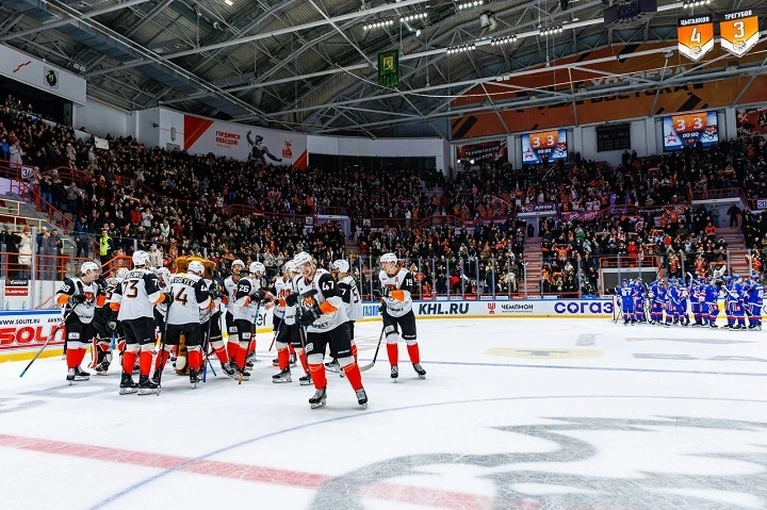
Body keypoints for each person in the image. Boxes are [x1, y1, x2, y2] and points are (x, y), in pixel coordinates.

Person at [292, 251, 367, 409]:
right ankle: (320, 390)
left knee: (346, 360)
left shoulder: (324, 277)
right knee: (313, 360)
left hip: (336, 325)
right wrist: (299, 313)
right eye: (300, 267)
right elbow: (302, 302)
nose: (304, 270)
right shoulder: (298, 282)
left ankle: (359, 389)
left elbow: (334, 302)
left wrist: (313, 314)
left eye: (306, 265)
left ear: (312, 263)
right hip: (315, 328)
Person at [109, 250, 169, 395]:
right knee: (147, 347)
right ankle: (144, 381)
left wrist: (116, 316)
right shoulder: (148, 275)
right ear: (146, 261)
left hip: (125, 316)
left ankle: (125, 380)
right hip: (142, 315)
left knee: (131, 348)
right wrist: (166, 297)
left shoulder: (125, 276)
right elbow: (155, 298)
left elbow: (114, 301)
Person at [154, 260, 211, 386]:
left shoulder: (172, 277)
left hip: (172, 319)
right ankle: (193, 373)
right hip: (191, 319)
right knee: (193, 347)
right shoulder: (198, 280)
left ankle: (157, 373)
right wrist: (210, 297)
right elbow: (204, 304)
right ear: (200, 271)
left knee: (165, 347)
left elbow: (163, 297)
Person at [378, 252, 426, 379]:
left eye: (385, 264)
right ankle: (393, 366)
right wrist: (383, 301)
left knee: (411, 340)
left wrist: (388, 293)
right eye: (382, 264)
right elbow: (381, 293)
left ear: (392, 263)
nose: (383, 266)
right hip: (389, 312)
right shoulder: (382, 275)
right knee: (391, 338)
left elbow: (406, 295)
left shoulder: (405, 274)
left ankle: (416, 363)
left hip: (405, 312)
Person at [55, 261, 101, 382]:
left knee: (84, 344)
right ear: (87, 272)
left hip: (89, 318)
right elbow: (58, 298)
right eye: (95, 271)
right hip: (74, 318)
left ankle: (77, 367)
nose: (97, 273)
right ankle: (71, 369)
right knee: (73, 344)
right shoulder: (72, 283)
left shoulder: (96, 286)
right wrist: (72, 298)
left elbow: (99, 304)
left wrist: (104, 291)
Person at [268, 260, 311, 385]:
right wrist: (275, 303)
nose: (285, 271)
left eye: (287, 269)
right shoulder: (289, 282)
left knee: (299, 348)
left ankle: (310, 373)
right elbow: (286, 300)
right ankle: (285, 372)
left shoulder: (300, 280)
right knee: (280, 343)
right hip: (288, 319)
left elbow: (306, 296)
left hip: (297, 320)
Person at [325, 259, 362, 372]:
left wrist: (335, 315)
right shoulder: (349, 279)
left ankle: (348, 363)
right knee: (348, 340)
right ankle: (343, 361)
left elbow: (343, 303)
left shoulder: (343, 283)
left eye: (335, 269)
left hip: (346, 316)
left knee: (347, 340)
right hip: (351, 314)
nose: (333, 272)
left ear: (340, 270)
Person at [90, 266, 127, 376]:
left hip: (101, 310)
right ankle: (127, 362)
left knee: (103, 337)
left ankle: (102, 362)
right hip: (118, 309)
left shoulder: (106, 281)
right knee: (124, 337)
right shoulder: (126, 282)